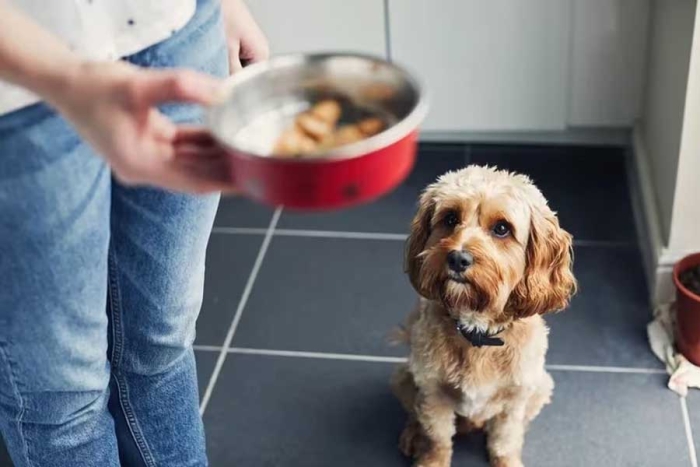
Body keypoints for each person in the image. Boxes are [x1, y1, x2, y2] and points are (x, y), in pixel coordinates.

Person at [0, 0, 268, 465]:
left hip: (176, 29)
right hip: (16, 95)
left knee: (162, 346)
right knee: (63, 398)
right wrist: (66, 77)